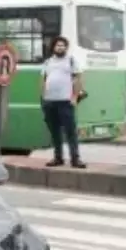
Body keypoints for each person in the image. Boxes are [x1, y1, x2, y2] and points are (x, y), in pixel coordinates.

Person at [40, 36, 86, 169]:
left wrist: (75, 97)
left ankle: (75, 159)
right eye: (58, 45)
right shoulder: (48, 62)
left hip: (65, 102)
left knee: (70, 131)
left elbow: (78, 78)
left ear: (66, 48)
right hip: (50, 102)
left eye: (63, 46)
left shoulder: (71, 61)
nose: (60, 47)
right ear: (53, 47)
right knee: (55, 132)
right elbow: (43, 79)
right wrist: (43, 96)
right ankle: (58, 157)